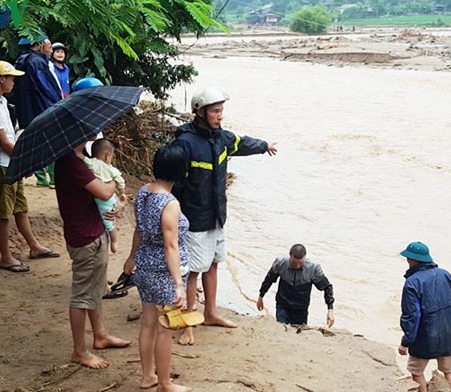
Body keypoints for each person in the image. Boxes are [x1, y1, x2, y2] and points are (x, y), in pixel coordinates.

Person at [172, 86, 277, 346]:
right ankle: (187, 323)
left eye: (221, 111)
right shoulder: (185, 143)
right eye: (216, 111)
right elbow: (174, 182)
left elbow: (241, 143)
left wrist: (264, 146)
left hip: (217, 216)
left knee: (213, 264)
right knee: (193, 271)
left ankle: (210, 313)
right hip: (194, 218)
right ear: (200, 112)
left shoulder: (222, 139)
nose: (220, 116)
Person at [123, 144, 195, 392]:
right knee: (166, 328)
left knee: (148, 323)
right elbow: (171, 245)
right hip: (162, 272)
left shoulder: (144, 192)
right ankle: (165, 383)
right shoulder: (170, 203)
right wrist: (178, 283)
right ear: (180, 171)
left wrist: (131, 257)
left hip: (144, 266)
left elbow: (139, 229)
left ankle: (148, 376)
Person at [0, 60, 61, 272]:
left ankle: (34, 246)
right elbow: (4, 143)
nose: (14, 82)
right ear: (1, 79)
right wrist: (24, 160)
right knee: (4, 213)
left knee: (20, 208)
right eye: (11, 78)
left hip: (9, 163)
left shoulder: (1, 103)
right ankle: (5, 256)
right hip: (2, 164)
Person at [54, 138, 131, 369]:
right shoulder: (71, 162)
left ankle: (100, 334)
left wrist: (115, 200)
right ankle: (79, 351)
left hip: (94, 230)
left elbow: (102, 197)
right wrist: (113, 186)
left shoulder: (83, 160)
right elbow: (104, 191)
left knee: (96, 288)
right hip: (84, 236)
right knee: (81, 294)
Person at [397, 241, 451, 392]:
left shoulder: (412, 282)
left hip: (425, 337)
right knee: (448, 370)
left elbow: (412, 316)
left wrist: (406, 342)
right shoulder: (445, 274)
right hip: (448, 333)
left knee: (416, 371)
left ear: (412, 260)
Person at [13, 34, 61, 188]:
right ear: (39, 45)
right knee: (53, 140)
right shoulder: (38, 62)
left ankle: (41, 177)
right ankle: (54, 177)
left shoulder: (21, 61)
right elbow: (46, 87)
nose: (51, 50)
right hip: (42, 106)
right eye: (48, 47)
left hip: (26, 110)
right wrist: (58, 102)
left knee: (35, 140)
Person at [257, 244, 335, 327]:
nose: (297, 266)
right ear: (290, 256)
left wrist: (330, 310)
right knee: (281, 329)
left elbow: (327, 287)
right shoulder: (280, 263)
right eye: (294, 263)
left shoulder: (313, 268)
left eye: (301, 263)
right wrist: (261, 297)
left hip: (301, 309)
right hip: (283, 305)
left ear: (305, 257)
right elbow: (269, 280)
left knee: (298, 333)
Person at [84, 138, 126, 253]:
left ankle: (113, 239)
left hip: (101, 198)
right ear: (108, 155)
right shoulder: (112, 169)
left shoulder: (91, 163)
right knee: (109, 219)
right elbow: (120, 181)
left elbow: (82, 159)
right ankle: (114, 239)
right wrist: (122, 193)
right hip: (110, 199)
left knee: (107, 219)